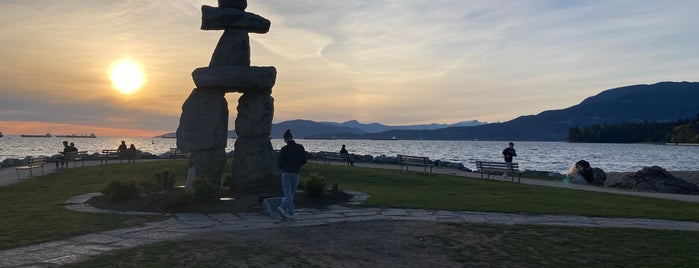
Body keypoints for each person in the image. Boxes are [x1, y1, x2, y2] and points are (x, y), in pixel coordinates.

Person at [276, 129, 307, 220]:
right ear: (292, 137)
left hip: (285, 172)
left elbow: (280, 162)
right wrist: (297, 165)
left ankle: (287, 210)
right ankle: (285, 209)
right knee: (292, 193)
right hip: (295, 172)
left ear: (285, 139)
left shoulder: (284, 149)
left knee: (287, 193)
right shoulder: (300, 147)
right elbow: (304, 159)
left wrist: (282, 167)